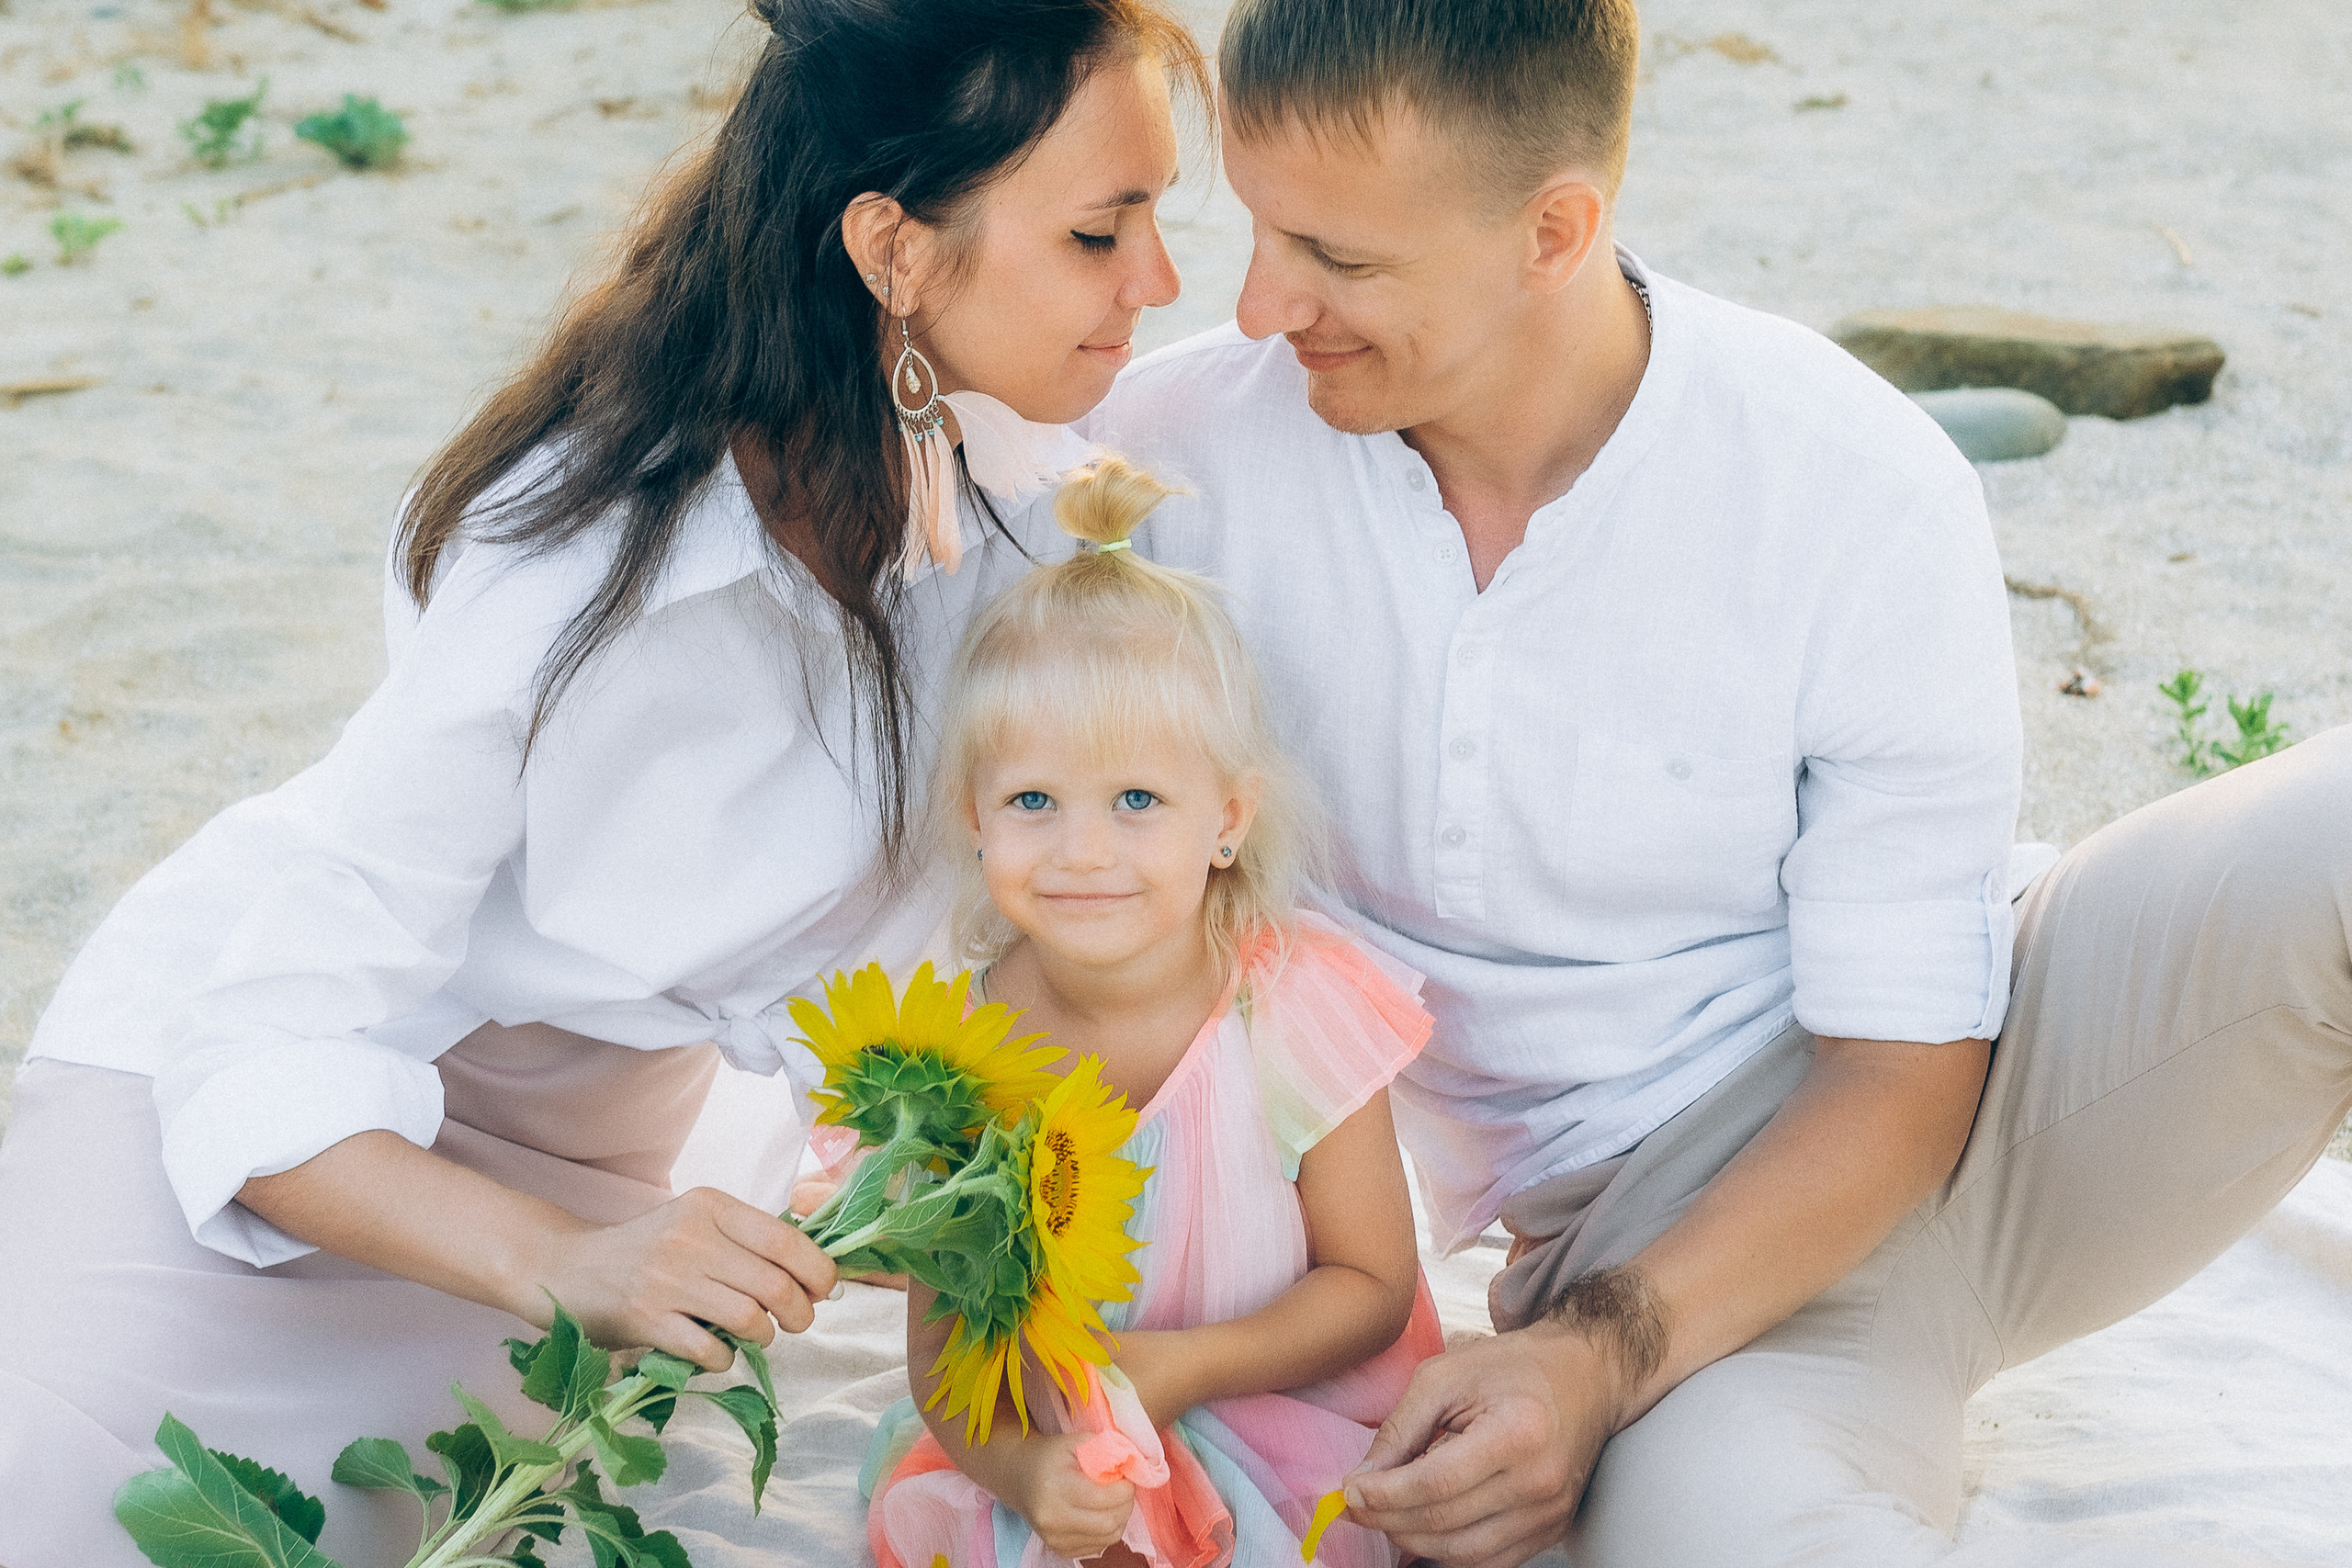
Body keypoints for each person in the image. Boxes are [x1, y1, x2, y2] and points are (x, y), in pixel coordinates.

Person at [1083, 2, 2352, 1564]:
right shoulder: (1171, 465)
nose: (1267, 303)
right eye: (1260, 227)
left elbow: (1902, 1067)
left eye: (1340, 259)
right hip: (1668, 1266)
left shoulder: (1852, 478)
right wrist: (1588, 1351)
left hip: (2021, 1078)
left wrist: (1587, 1357)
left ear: (1555, 229)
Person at [0, 2, 1205, 1561]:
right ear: (895, 255)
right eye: (1105, 233)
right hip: (313, 1136)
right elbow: (257, 1036)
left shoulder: (1032, 485)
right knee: (77, 1513)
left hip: (632, 1170)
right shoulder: (571, 555)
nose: (1161, 284)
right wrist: (566, 1261)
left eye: (1162, 219)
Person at [863, 458, 1446, 1568]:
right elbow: (942, 1354)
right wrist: (1025, 1472)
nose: (1085, 851)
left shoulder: (1288, 1005)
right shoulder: (950, 1061)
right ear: (972, 816)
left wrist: (1181, 1369)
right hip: (1052, 1440)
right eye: (1034, 801)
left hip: (1278, 1407)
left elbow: (1371, 1287)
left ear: (1226, 818)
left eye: (1138, 800)